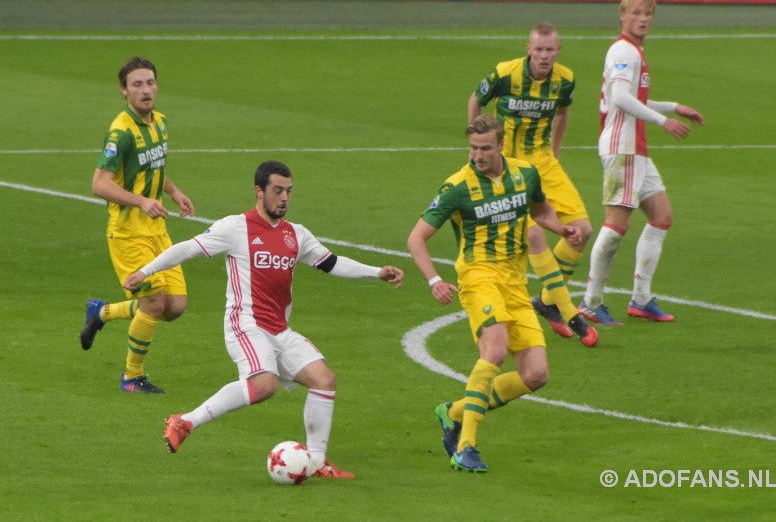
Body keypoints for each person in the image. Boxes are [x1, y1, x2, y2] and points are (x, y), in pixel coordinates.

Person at [124, 160, 404, 479]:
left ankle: (316, 461)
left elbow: (332, 263)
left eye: (288, 191)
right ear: (259, 192)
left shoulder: (296, 235)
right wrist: (145, 272)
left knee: (324, 380)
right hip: (246, 325)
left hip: (279, 330)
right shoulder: (235, 228)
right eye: (277, 191)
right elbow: (187, 249)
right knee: (264, 384)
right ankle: (185, 421)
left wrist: (376, 272)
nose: (284, 198)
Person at [407, 115, 581, 473]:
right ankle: (466, 446)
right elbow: (416, 238)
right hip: (478, 277)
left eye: (485, 148)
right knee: (495, 349)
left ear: (500, 145)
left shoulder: (525, 174)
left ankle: (453, 413)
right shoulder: (457, 186)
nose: (477, 155)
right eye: (473, 148)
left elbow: (539, 209)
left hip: (515, 283)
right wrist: (433, 280)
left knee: (536, 375)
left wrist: (563, 228)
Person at [578, 0, 705, 325]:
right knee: (616, 226)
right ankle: (591, 302)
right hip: (623, 147)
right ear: (622, 16)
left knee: (661, 216)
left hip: (636, 148)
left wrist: (673, 106)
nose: (643, 19)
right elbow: (620, 97)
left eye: (648, 13)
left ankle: (641, 299)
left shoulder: (634, 51)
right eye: (636, 13)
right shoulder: (623, 51)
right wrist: (664, 120)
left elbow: (630, 98)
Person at [468, 23, 597, 347]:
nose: (543, 55)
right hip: (507, 164)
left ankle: (547, 301)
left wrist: (554, 153)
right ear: (528, 48)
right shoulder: (505, 73)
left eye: (549, 50)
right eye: (538, 49)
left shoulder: (564, 80)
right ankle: (566, 310)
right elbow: (476, 100)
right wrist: (479, 148)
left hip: (543, 163)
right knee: (532, 233)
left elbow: (563, 114)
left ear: (558, 50)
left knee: (582, 229)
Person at [80, 57, 195, 393]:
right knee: (155, 304)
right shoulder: (121, 132)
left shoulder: (159, 122)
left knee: (175, 306)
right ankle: (132, 377)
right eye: (137, 85)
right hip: (128, 232)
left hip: (156, 230)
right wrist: (143, 201)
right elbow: (100, 184)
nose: (145, 90)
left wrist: (173, 191)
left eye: (150, 83)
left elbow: (153, 166)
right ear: (124, 91)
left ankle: (100, 314)